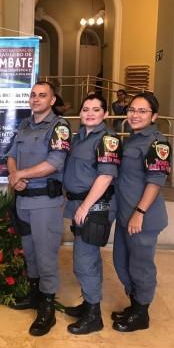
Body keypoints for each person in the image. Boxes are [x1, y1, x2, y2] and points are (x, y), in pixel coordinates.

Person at [7, 81, 71, 337]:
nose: (35, 99)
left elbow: (55, 163)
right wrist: (14, 175)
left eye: (42, 95)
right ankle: (34, 295)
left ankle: (47, 308)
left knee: (45, 256)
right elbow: (11, 154)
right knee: (30, 253)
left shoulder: (59, 127)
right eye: (33, 95)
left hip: (45, 202)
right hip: (23, 200)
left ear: (52, 100)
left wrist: (21, 174)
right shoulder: (24, 125)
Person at [112, 92, 171, 332]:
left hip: (142, 217)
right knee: (121, 261)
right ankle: (135, 304)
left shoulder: (157, 142)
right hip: (126, 214)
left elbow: (156, 180)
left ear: (154, 116)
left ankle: (141, 313)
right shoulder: (132, 138)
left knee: (140, 265)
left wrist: (139, 211)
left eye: (142, 111)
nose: (135, 115)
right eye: (132, 110)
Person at [62, 95, 121, 335]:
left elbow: (106, 176)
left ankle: (94, 315)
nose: (89, 113)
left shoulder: (107, 139)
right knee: (87, 257)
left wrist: (85, 206)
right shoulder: (79, 137)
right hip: (79, 203)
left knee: (84, 260)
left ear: (105, 114)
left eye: (96, 110)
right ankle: (89, 304)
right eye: (85, 109)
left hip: (94, 206)